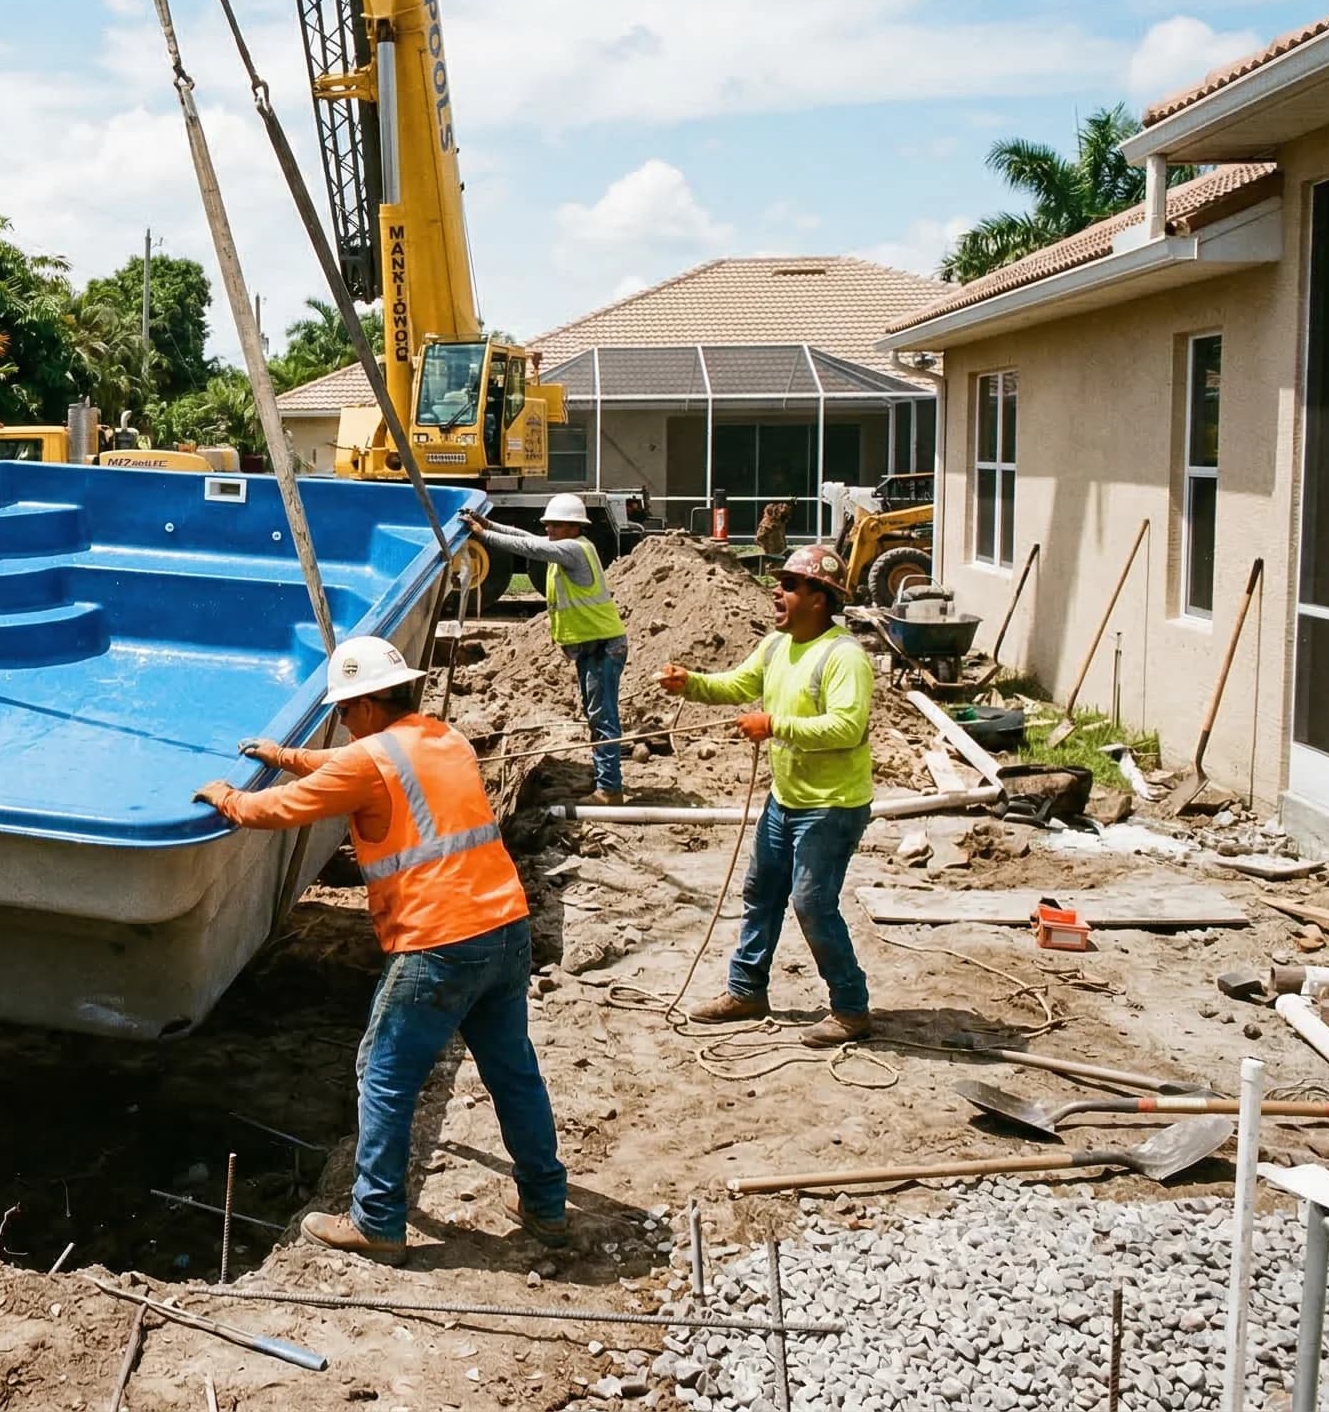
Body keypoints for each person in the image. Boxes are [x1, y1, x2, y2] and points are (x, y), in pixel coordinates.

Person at [193, 635, 568, 1261]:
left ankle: (377, 1221)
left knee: (384, 1075)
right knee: (512, 1069)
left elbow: (285, 809)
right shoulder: (442, 737)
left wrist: (227, 798)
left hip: (438, 942)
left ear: (364, 706)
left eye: (343, 711)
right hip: (505, 927)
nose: (342, 721)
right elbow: (359, 770)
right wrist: (287, 755)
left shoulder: (364, 761)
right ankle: (546, 1205)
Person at [656, 542, 876, 1045]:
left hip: (832, 805)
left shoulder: (844, 657)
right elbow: (737, 684)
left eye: (790, 586)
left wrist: (773, 724)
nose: (777, 593)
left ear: (820, 597)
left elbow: (846, 727)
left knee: (812, 903)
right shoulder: (778, 645)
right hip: (787, 799)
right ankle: (746, 990)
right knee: (762, 893)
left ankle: (851, 1009)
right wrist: (689, 682)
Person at [463, 495, 630, 805]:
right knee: (597, 715)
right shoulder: (566, 548)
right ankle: (604, 781)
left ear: (573, 527)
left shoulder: (573, 550)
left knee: (603, 717)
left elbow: (531, 547)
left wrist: (483, 535)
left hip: (603, 647)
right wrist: (488, 524)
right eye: (548, 524)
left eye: (555, 524)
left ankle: (610, 788)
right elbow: (527, 538)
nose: (548, 529)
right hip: (593, 647)